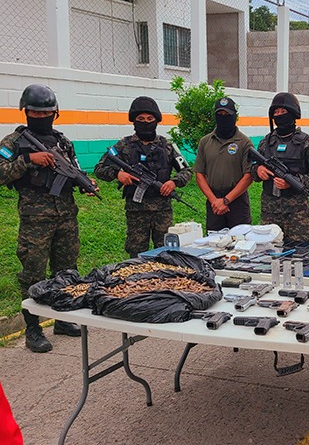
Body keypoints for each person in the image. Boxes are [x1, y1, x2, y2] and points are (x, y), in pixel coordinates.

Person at [0, 84, 98, 352]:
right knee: (33, 273)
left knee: (66, 271)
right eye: (34, 112)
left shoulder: (63, 142)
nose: (40, 116)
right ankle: (33, 329)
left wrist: (85, 183)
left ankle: (63, 320)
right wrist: (30, 160)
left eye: (45, 112)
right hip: (35, 221)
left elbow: (74, 169)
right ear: (25, 111)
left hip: (66, 217)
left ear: (55, 113)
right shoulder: (13, 143)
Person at [94, 97, 192, 257]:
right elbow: (99, 168)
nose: (145, 122)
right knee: (137, 253)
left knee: (167, 252)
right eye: (140, 119)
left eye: (149, 119)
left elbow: (186, 170)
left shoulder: (167, 146)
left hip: (163, 210)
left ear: (156, 121)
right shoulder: (123, 145)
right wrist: (118, 174)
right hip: (136, 211)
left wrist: (174, 182)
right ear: (133, 121)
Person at [252, 92, 309, 243]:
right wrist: (258, 170)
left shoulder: (305, 143)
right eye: (276, 112)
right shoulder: (266, 143)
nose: (279, 115)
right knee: (269, 257)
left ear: (293, 113)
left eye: (283, 112)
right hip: (270, 212)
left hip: (297, 214)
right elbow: (252, 169)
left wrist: (294, 181)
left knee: (302, 256)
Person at [193, 96, 254, 232]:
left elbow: (248, 176)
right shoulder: (205, 142)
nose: (223, 117)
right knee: (214, 245)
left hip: (237, 202)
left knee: (241, 245)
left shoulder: (244, 142)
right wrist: (214, 200)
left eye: (227, 114)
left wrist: (226, 200)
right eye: (219, 114)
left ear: (235, 117)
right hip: (213, 201)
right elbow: (199, 174)